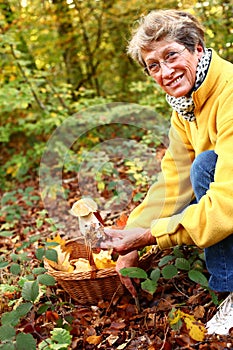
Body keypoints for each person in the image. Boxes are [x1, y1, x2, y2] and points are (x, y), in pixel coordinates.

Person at [101, 9, 233, 336]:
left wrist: (151, 236)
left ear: (197, 48)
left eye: (171, 55)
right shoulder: (185, 108)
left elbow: (227, 203)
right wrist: (131, 238)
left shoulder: (229, 91)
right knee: (201, 165)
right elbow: (173, 181)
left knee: (206, 167)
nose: (165, 71)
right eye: (153, 66)